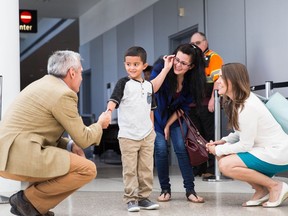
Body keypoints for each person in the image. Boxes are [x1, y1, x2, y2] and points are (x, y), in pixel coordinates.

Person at [0, 50, 110, 216]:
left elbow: (42, 132)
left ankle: (34, 208)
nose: (81, 77)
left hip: (10, 153)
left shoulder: (42, 85)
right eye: (80, 72)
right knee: (87, 169)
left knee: (56, 159)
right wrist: (100, 124)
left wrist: (71, 145)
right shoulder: (63, 94)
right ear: (72, 73)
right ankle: (26, 201)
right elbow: (85, 138)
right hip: (20, 154)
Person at [206, 63, 288, 208]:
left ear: (233, 80)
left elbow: (245, 145)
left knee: (225, 164)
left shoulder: (246, 106)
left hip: (277, 153)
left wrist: (217, 150)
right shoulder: (241, 101)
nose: (217, 81)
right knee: (223, 156)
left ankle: (276, 186)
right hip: (269, 150)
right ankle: (261, 190)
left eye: (222, 77)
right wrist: (223, 141)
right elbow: (241, 132)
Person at [150, 43, 206, 203]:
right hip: (155, 116)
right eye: (177, 59)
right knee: (160, 149)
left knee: (181, 149)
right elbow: (151, 89)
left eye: (183, 63)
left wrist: (168, 125)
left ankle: (190, 190)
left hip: (174, 118)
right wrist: (166, 69)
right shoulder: (162, 66)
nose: (178, 64)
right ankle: (165, 190)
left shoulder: (192, 81)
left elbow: (184, 107)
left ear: (191, 66)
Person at [106, 46, 159, 212]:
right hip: (128, 136)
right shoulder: (123, 83)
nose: (132, 67)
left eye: (136, 64)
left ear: (144, 65)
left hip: (147, 135)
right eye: (128, 64)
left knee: (146, 169)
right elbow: (113, 100)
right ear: (124, 64)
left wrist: (153, 130)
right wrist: (108, 112)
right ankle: (131, 199)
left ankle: (144, 198)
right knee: (130, 170)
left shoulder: (149, 86)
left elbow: (151, 109)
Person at [190, 31, 223, 178]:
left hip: (206, 103)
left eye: (198, 43)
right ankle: (199, 168)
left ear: (205, 43)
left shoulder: (213, 58)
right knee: (197, 137)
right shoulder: (192, 60)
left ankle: (212, 169)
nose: (195, 46)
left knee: (210, 136)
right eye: (192, 44)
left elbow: (218, 80)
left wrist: (212, 100)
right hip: (192, 105)